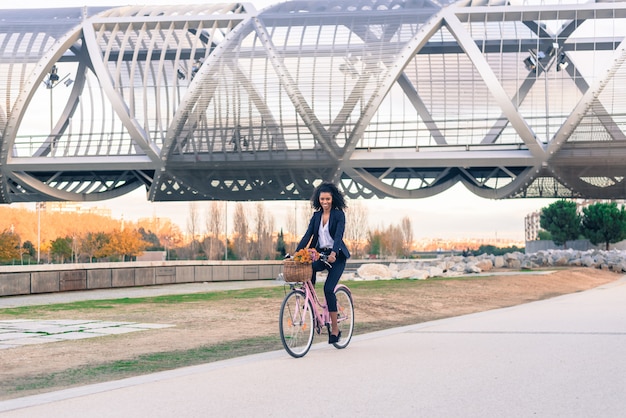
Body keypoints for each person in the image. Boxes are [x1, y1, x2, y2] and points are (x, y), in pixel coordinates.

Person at [295, 182, 351, 344]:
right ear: (318, 200)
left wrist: (334, 253)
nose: (325, 202)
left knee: (328, 289)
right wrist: (296, 254)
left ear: (333, 199)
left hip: (337, 257)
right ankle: (312, 305)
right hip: (321, 254)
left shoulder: (339, 215)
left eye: (327, 199)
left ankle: (334, 330)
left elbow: (339, 236)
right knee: (309, 271)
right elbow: (308, 236)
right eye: (322, 199)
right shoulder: (316, 216)